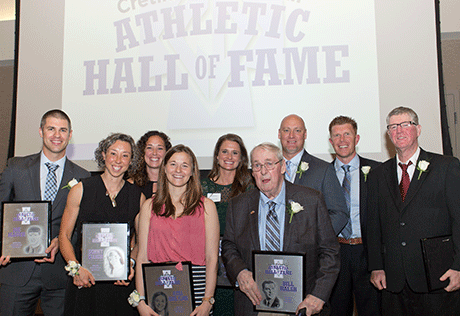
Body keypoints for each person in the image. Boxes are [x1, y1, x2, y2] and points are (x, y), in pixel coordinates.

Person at [222, 142, 340, 316]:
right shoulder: (238, 205)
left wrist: (318, 295)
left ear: (283, 166)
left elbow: (330, 252)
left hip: (302, 303)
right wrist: (239, 272)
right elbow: (228, 246)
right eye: (257, 165)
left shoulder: (311, 200)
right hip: (254, 303)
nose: (263, 171)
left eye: (269, 164)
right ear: (252, 172)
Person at [367, 106, 460, 315]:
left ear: (418, 129)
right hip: (393, 280)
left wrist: (459, 266)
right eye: (393, 127)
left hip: (437, 277)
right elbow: (372, 225)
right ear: (388, 134)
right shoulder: (377, 175)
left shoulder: (446, 167)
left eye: (405, 125)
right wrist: (376, 266)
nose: (399, 131)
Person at [0, 109, 90, 316]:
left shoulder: (82, 176)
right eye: (51, 129)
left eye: (63, 130)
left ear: (70, 134)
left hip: (59, 273)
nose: (57, 135)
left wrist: (62, 240)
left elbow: (80, 228)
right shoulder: (16, 167)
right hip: (17, 270)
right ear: (41, 131)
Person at [59, 133, 144, 316]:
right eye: (113, 153)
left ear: (131, 161)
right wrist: (75, 269)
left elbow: (141, 241)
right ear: (103, 155)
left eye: (125, 155)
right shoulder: (81, 190)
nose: (118, 160)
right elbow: (64, 235)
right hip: (85, 280)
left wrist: (130, 262)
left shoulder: (138, 197)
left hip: (120, 283)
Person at [135, 144, 219, 316]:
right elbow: (142, 256)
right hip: (158, 286)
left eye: (185, 165)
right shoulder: (149, 206)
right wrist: (141, 301)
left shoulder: (207, 206)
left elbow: (212, 258)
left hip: (197, 288)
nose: (178, 170)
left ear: (192, 171)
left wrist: (207, 301)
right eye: (173, 164)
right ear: (164, 168)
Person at [327, 116, 381, 316]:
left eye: (347, 134)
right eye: (337, 135)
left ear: (356, 138)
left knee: (372, 310)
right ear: (331, 142)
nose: (342, 140)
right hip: (335, 253)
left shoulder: (378, 170)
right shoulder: (323, 173)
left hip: (368, 253)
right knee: (337, 310)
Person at [201, 133, 254, 316]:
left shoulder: (250, 187)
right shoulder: (202, 187)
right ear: (216, 155)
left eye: (234, 153)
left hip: (239, 259)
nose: (229, 157)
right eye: (224, 151)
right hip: (207, 258)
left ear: (241, 158)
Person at [278, 114, 348, 235]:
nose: (291, 136)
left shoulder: (323, 170)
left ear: (305, 135)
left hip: (310, 250)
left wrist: (316, 240)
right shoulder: (268, 168)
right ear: (279, 134)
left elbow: (339, 214)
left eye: (297, 131)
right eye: (286, 130)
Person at [131, 131, 172, 198]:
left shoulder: (175, 184)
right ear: (142, 151)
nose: (154, 153)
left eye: (160, 148)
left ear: (167, 152)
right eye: (149, 148)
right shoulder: (131, 184)